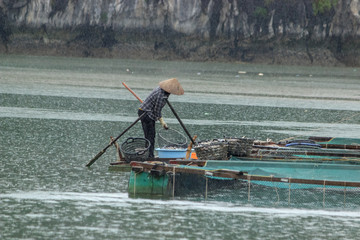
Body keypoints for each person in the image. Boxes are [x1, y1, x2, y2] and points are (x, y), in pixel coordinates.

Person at [138, 78, 184, 158]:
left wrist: (160, 119)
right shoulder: (161, 95)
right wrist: (162, 121)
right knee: (150, 135)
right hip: (145, 113)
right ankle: (150, 155)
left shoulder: (161, 90)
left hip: (146, 111)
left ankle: (148, 154)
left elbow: (156, 109)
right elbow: (157, 110)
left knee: (149, 136)